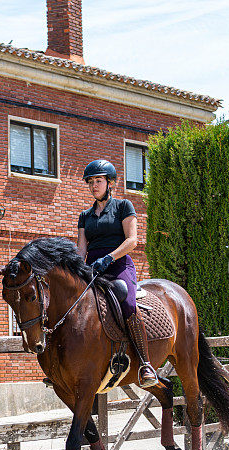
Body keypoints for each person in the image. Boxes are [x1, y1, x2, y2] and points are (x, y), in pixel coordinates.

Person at [77, 159, 158, 388]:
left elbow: (132, 240)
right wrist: (74, 266)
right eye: (91, 182)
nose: (94, 185)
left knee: (128, 304)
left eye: (99, 181)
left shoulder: (124, 206)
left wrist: (110, 257)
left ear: (110, 182)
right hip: (93, 267)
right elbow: (81, 249)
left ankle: (145, 364)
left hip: (119, 264)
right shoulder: (85, 215)